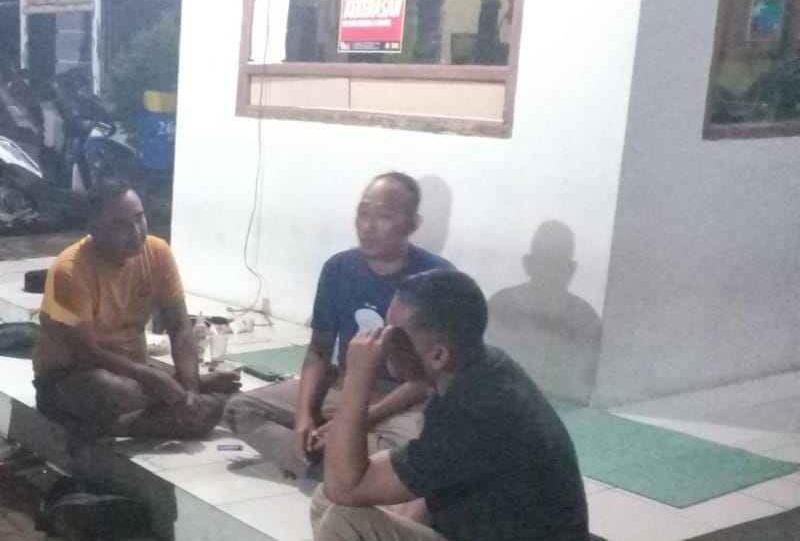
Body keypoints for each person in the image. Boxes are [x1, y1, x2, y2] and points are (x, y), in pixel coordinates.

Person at [313, 269, 588, 541]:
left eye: (394, 335)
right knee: (326, 499)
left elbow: (345, 487)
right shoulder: (476, 368)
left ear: (438, 355)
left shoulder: (478, 410)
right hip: (477, 524)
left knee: (344, 519)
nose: (382, 342)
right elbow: (429, 478)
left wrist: (357, 378)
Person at [224, 172, 451, 475]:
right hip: (344, 389)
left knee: (417, 452)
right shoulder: (339, 269)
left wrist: (355, 421)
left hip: (402, 404)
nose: (368, 226)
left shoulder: (437, 280)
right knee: (239, 409)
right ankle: (337, 468)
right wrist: (304, 417)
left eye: (384, 216)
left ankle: (332, 464)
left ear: (412, 224)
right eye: (363, 213)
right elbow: (318, 352)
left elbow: (424, 382)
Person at [32, 180, 240, 439]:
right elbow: (87, 354)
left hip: (135, 375)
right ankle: (133, 416)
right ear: (94, 228)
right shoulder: (70, 270)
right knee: (109, 389)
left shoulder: (158, 252)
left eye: (139, 218)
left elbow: (180, 328)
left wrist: (191, 392)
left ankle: (161, 405)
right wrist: (157, 380)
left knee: (209, 406)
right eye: (121, 224)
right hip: (72, 378)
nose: (136, 231)